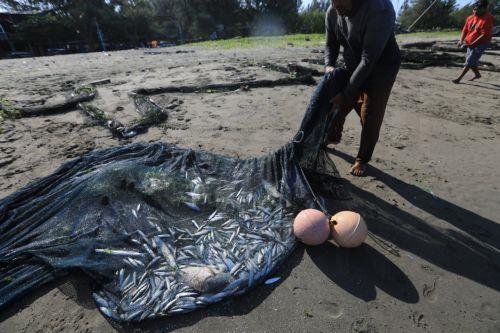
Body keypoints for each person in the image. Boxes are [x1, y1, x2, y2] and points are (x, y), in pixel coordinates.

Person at [324, 0, 401, 176]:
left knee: (370, 114)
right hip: (353, 62)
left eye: (339, 1)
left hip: (381, 67)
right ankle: (332, 136)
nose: (335, 6)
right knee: (336, 105)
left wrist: (346, 93)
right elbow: (331, 44)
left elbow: (369, 59)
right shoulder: (333, 10)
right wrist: (329, 65)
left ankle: (362, 159)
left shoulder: (380, 9)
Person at [452, 0, 494, 84]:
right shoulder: (470, 18)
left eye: (477, 9)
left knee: (469, 61)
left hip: (482, 43)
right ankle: (477, 75)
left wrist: (472, 44)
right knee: (472, 60)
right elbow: (465, 30)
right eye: (474, 9)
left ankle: (458, 79)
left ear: (484, 9)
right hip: (469, 41)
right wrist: (461, 41)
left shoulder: (488, 18)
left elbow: (484, 35)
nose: (475, 11)